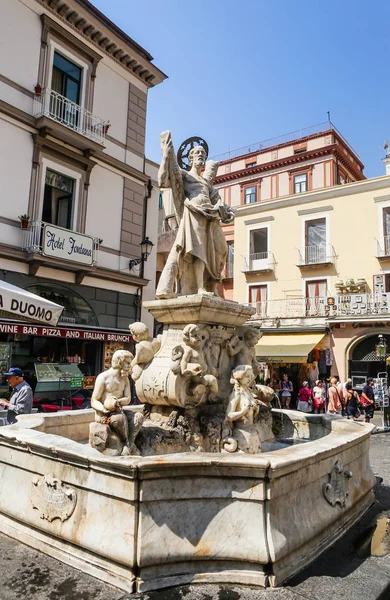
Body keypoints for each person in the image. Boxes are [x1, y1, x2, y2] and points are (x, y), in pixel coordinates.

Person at [156, 131, 234, 298]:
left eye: (203, 153)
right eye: (197, 153)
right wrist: (166, 154)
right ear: (190, 158)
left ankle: (212, 282)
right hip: (194, 215)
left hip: (210, 218)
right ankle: (200, 287)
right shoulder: (185, 175)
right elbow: (163, 181)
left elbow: (221, 205)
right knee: (199, 251)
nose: (201, 155)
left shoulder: (207, 182)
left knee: (222, 250)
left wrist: (226, 212)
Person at [91, 350, 133, 455]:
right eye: (127, 363)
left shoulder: (125, 379)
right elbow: (93, 400)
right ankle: (125, 443)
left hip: (118, 411)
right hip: (104, 413)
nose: (129, 365)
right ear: (119, 362)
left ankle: (129, 443)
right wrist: (103, 409)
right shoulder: (103, 377)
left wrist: (118, 402)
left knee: (138, 418)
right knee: (118, 419)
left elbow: (128, 399)